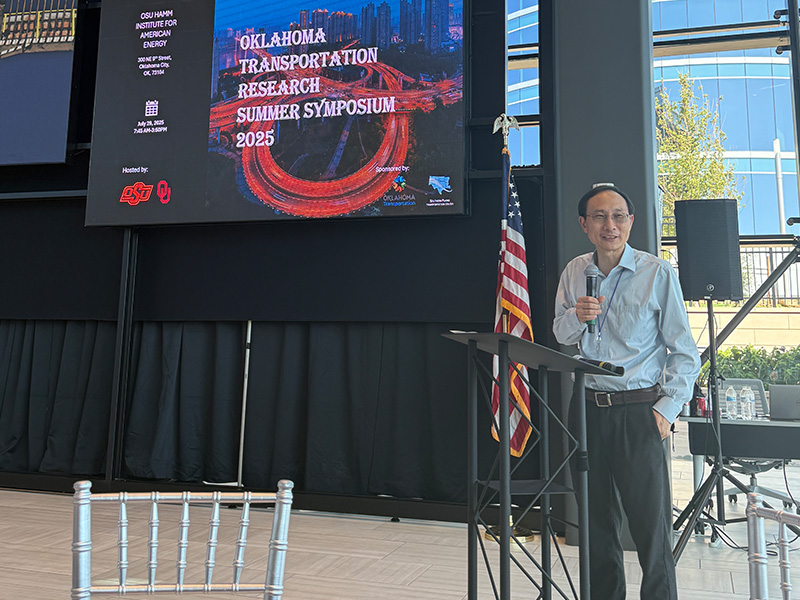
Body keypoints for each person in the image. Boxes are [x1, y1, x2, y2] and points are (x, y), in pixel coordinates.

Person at [553, 183, 700, 600]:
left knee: (650, 527)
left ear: (631, 222)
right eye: (599, 216)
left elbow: (685, 352)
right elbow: (560, 334)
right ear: (584, 224)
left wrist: (666, 410)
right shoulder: (574, 271)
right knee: (595, 523)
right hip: (585, 408)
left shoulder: (657, 273)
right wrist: (576, 316)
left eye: (618, 216)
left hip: (639, 410)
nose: (610, 225)